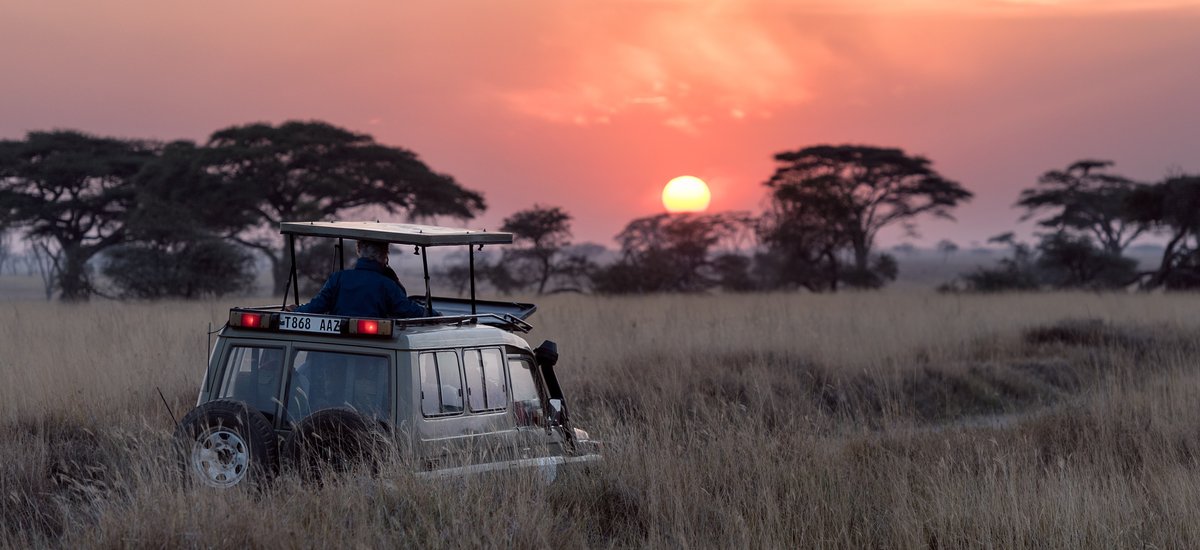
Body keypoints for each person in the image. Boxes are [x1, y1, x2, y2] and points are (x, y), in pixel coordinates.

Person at [287, 239, 435, 318]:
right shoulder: (387, 285)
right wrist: (434, 315)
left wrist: (296, 311)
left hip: (337, 349)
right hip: (374, 353)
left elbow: (317, 306)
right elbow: (408, 309)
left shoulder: (337, 278)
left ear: (359, 251)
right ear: (385, 255)